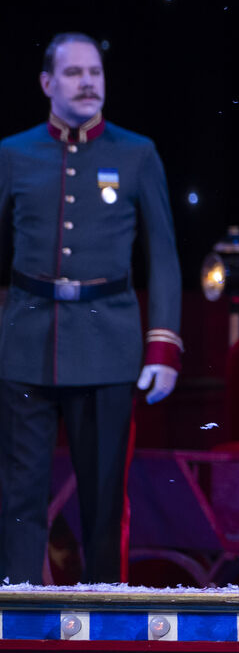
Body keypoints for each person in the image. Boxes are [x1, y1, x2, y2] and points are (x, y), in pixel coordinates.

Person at [0, 33, 182, 584]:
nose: (87, 83)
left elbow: (165, 256)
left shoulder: (136, 153)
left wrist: (163, 346)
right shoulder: (13, 154)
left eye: (95, 73)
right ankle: (17, 618)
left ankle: (107, 622)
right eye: (74, 73)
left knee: (104, 501)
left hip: (109, 347)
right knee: (18, 496)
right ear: (47, 83)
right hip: (27, 344)